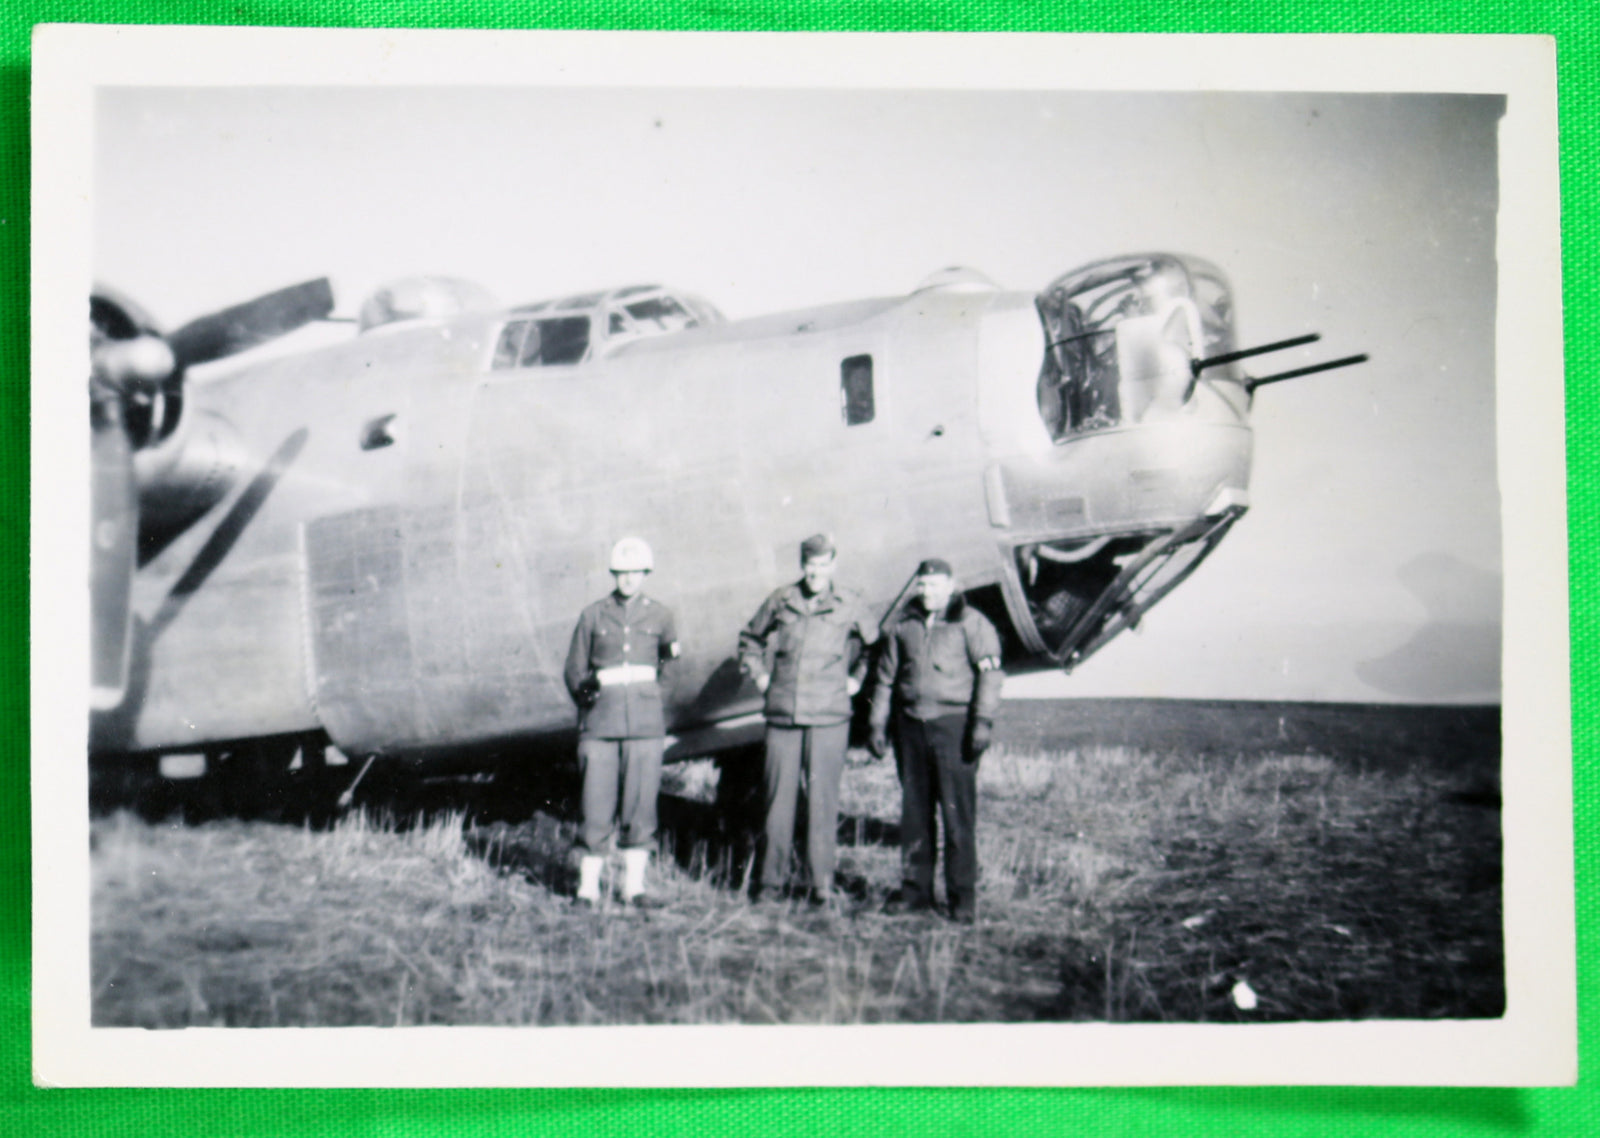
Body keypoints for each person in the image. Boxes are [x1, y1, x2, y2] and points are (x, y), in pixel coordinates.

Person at [738, 534, 877, 906]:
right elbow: (750, 640)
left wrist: (856, 679)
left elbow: (873, 646)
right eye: (810, 565)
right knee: (777, 803)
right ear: (803, 565)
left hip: (829, 717)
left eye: (823, 564)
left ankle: (821, 886)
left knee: (822, 802)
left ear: (834, 564)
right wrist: (762, 677)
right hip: (784, 715)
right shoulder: (782, 600)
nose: (816, 572)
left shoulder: (850, 604)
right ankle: (770, 883)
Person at [868, 558, 1003, 924]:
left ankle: (963, 899)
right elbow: (884, 680)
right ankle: (916, 894)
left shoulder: (972, 624)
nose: (929, 592)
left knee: (957, 815)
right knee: (915, 815)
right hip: (910, 727)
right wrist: (878, 724)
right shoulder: (904, 627)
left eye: (936, 585)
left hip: (953, 728)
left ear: (951, 585)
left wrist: (982, 723)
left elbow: (990, 675)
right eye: (924, 585)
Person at [563, 537, 680, 908]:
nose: (628, 579)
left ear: (645, 573)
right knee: (595, 806)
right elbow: (574, 669)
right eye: (622, 572)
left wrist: (653, 699)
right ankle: (587, 890)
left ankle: (634, 888)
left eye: (635, 572)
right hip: (601, 725)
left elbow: (671, 665)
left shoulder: (661, 616)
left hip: (644, 727)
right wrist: (588, 704)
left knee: (640, 806)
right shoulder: (593, 615)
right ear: (613, 574)